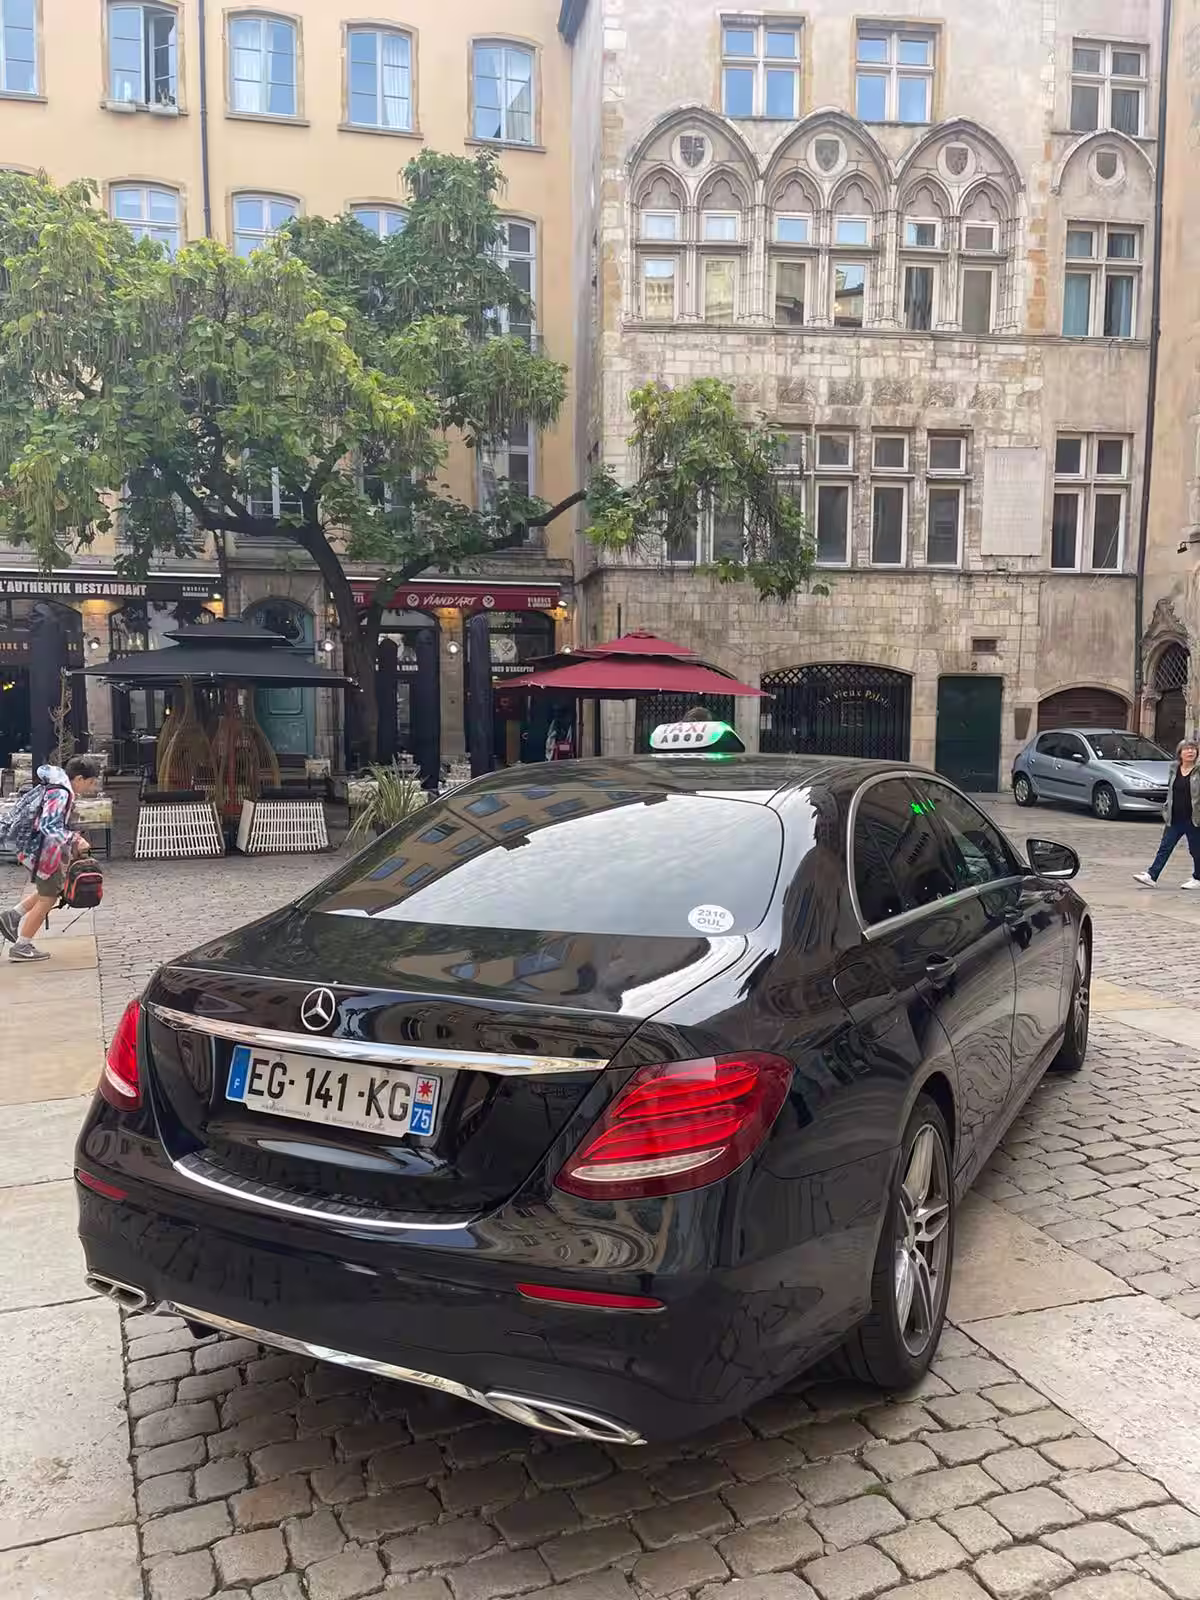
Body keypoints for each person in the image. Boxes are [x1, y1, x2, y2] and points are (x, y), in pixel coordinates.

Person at [0, 755, 101, 961]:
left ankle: (12, 916)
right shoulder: (61, 793)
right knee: (49, 897)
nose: (91, 787)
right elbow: (49, 826)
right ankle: (21, 946)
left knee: (49, 889)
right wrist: (75, 839)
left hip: (38, 849)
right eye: (90, 782)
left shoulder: (57, 786)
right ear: (79, 778)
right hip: (42, 851)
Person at [1135, 738, 1200, 889]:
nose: (1190, 752)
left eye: (1193, 749)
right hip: (1175, 817)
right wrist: (1166, 808)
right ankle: (1152, 876)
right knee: (1165, 847)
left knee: (1196, 850)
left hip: (1194, 818)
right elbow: (1171, 791)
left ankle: (1197, 878)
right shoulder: (1174, 768)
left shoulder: (1198, 771)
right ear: (1180, 753)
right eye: (1187, 749)